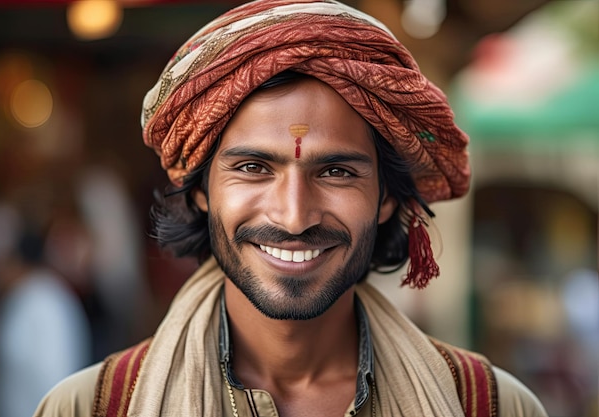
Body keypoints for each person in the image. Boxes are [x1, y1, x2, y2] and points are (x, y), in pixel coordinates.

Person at [34, 1, 548, 416]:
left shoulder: (488, 405)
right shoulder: (93, 406)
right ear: (200, 191)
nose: (295, 216)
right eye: (254, 168)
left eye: (337, 172)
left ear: (387, 197)